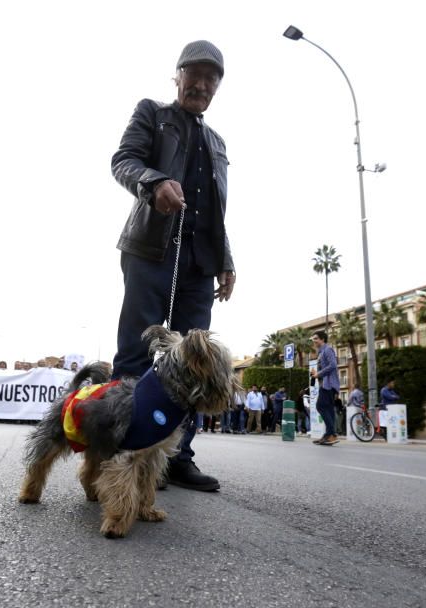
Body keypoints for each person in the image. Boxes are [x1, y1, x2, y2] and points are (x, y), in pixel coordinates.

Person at [110, 40, 235, 492]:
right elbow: (123, 161)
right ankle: (122, 448)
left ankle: (176, 457)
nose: (201, 84)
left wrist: (226, 259)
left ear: (218, 86)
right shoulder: (152, 113)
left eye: (211, 77)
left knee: (194, 364)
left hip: (200, 265)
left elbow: (218, 209)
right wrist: (155, 181)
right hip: (151, 250)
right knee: (136, 350)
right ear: (178, 75)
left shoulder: (217, 142)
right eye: (194, 74)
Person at [309, 330, 339, 445]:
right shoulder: (321, 352)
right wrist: (316, 373)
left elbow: (333, 365)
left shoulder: (328, 349)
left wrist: (318, 374)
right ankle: (330, 435)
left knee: (320, 406)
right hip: (327, 384)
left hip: (329, 384)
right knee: (329, 410)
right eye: (313, 339)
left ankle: (330, 434)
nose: (314, 341)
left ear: (322, 339)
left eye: (316, 338)